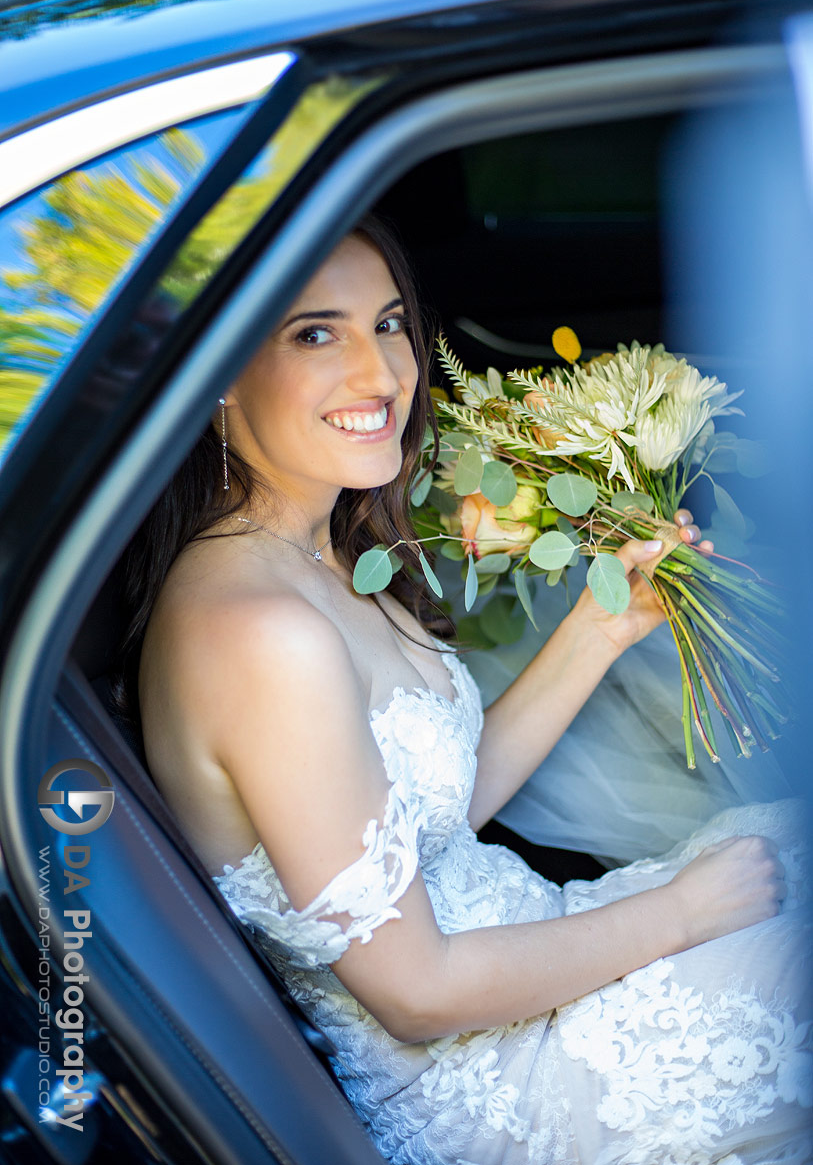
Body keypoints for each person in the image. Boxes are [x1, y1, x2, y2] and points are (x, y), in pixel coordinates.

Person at [120, 214, 811, 1165]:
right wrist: (680, 915)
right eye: (316, 333)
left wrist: (599, 628)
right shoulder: (255, 633)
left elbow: (429, 814)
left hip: (534, 964)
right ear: (218, 376)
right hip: (485, 1077)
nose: (382, 373)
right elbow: (417, 992)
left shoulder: (320, 559)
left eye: (391, 324)